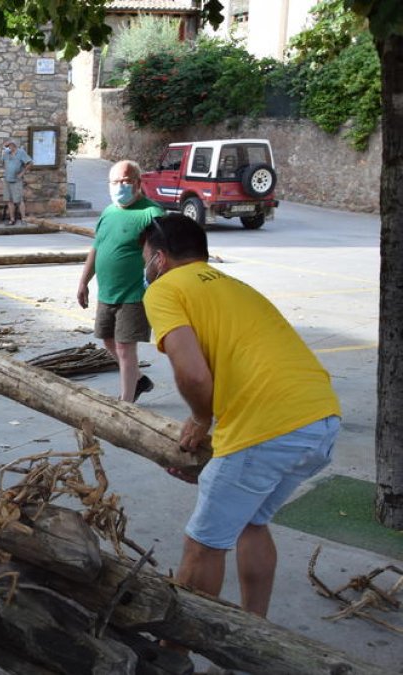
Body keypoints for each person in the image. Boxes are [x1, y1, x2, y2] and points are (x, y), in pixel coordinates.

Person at [140, 213, 341, 620]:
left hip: (268, 428)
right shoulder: (237, 286)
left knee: (202, 546)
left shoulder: (164, 290)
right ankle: (256, 634)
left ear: (159, 259)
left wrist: (200, 419)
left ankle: (175, 654)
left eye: (145, 258)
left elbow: (193, 372)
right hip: (320, 418)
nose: (144, 267)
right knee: (251, 521)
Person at [76, 160, 161, 402]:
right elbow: (96, 248)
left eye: (125, 181)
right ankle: (139, 380)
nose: (120, 186)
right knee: (108, 339)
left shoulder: (152, 213)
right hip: (107, 291)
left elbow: (160, 257)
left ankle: (126, 403)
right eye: (115, 182)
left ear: (138, 183)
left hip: (135, 294)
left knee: (125, 347)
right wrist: (84, 282)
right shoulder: (108, 211)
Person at [0, 140, 32, 225]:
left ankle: (23, 219)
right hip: (7, 179)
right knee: (9, 200)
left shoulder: (21, 152)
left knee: (19, 200)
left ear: (14, 145)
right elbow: (2, 162)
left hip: (16, 180)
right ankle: (12, 219)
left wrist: (22, 173)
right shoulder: (6, 153)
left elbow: (29, 163)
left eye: (9, 146)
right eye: (7, 146)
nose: (8, 148)